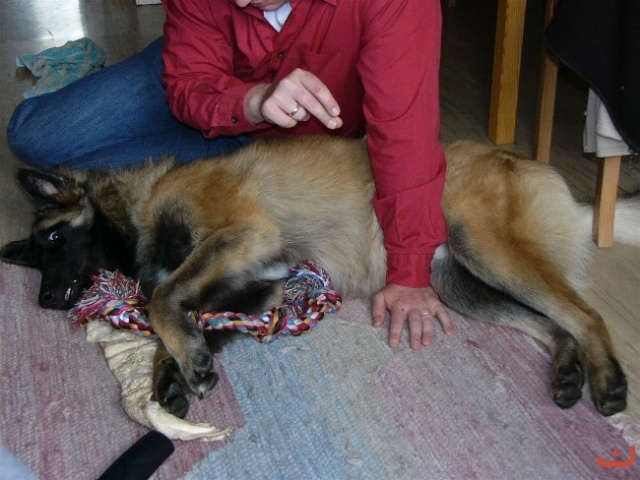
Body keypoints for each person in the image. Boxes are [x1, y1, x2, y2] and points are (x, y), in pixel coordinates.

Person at [7, 0, 452, 350]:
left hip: (276, 151)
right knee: (34, 139)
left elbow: (405, 136)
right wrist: (251, 101)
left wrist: (410, 271)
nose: (238, 2)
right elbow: (189, 82)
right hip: (213, 86)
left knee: (108, 190)